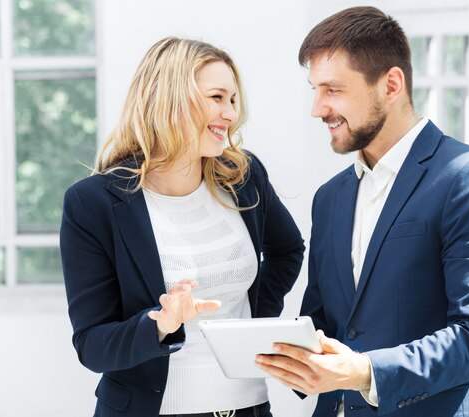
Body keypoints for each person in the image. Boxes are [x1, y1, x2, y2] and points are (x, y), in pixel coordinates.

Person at [255, 6, 469, 417]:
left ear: (391, 84)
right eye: (314, 89)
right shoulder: (329, 198)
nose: (317, 108)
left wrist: (365, 372)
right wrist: (283, 351)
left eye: (333, 89)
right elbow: (325, 323)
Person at [60, 37, 305, 417]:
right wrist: (161, 323)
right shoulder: (93, 204)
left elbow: (288, 251)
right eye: (217, 97)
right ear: (169, 98)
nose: (230, 114)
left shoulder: (243, 176)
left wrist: (252, 325)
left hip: (249, 407)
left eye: (233, 101)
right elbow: (92, 344)